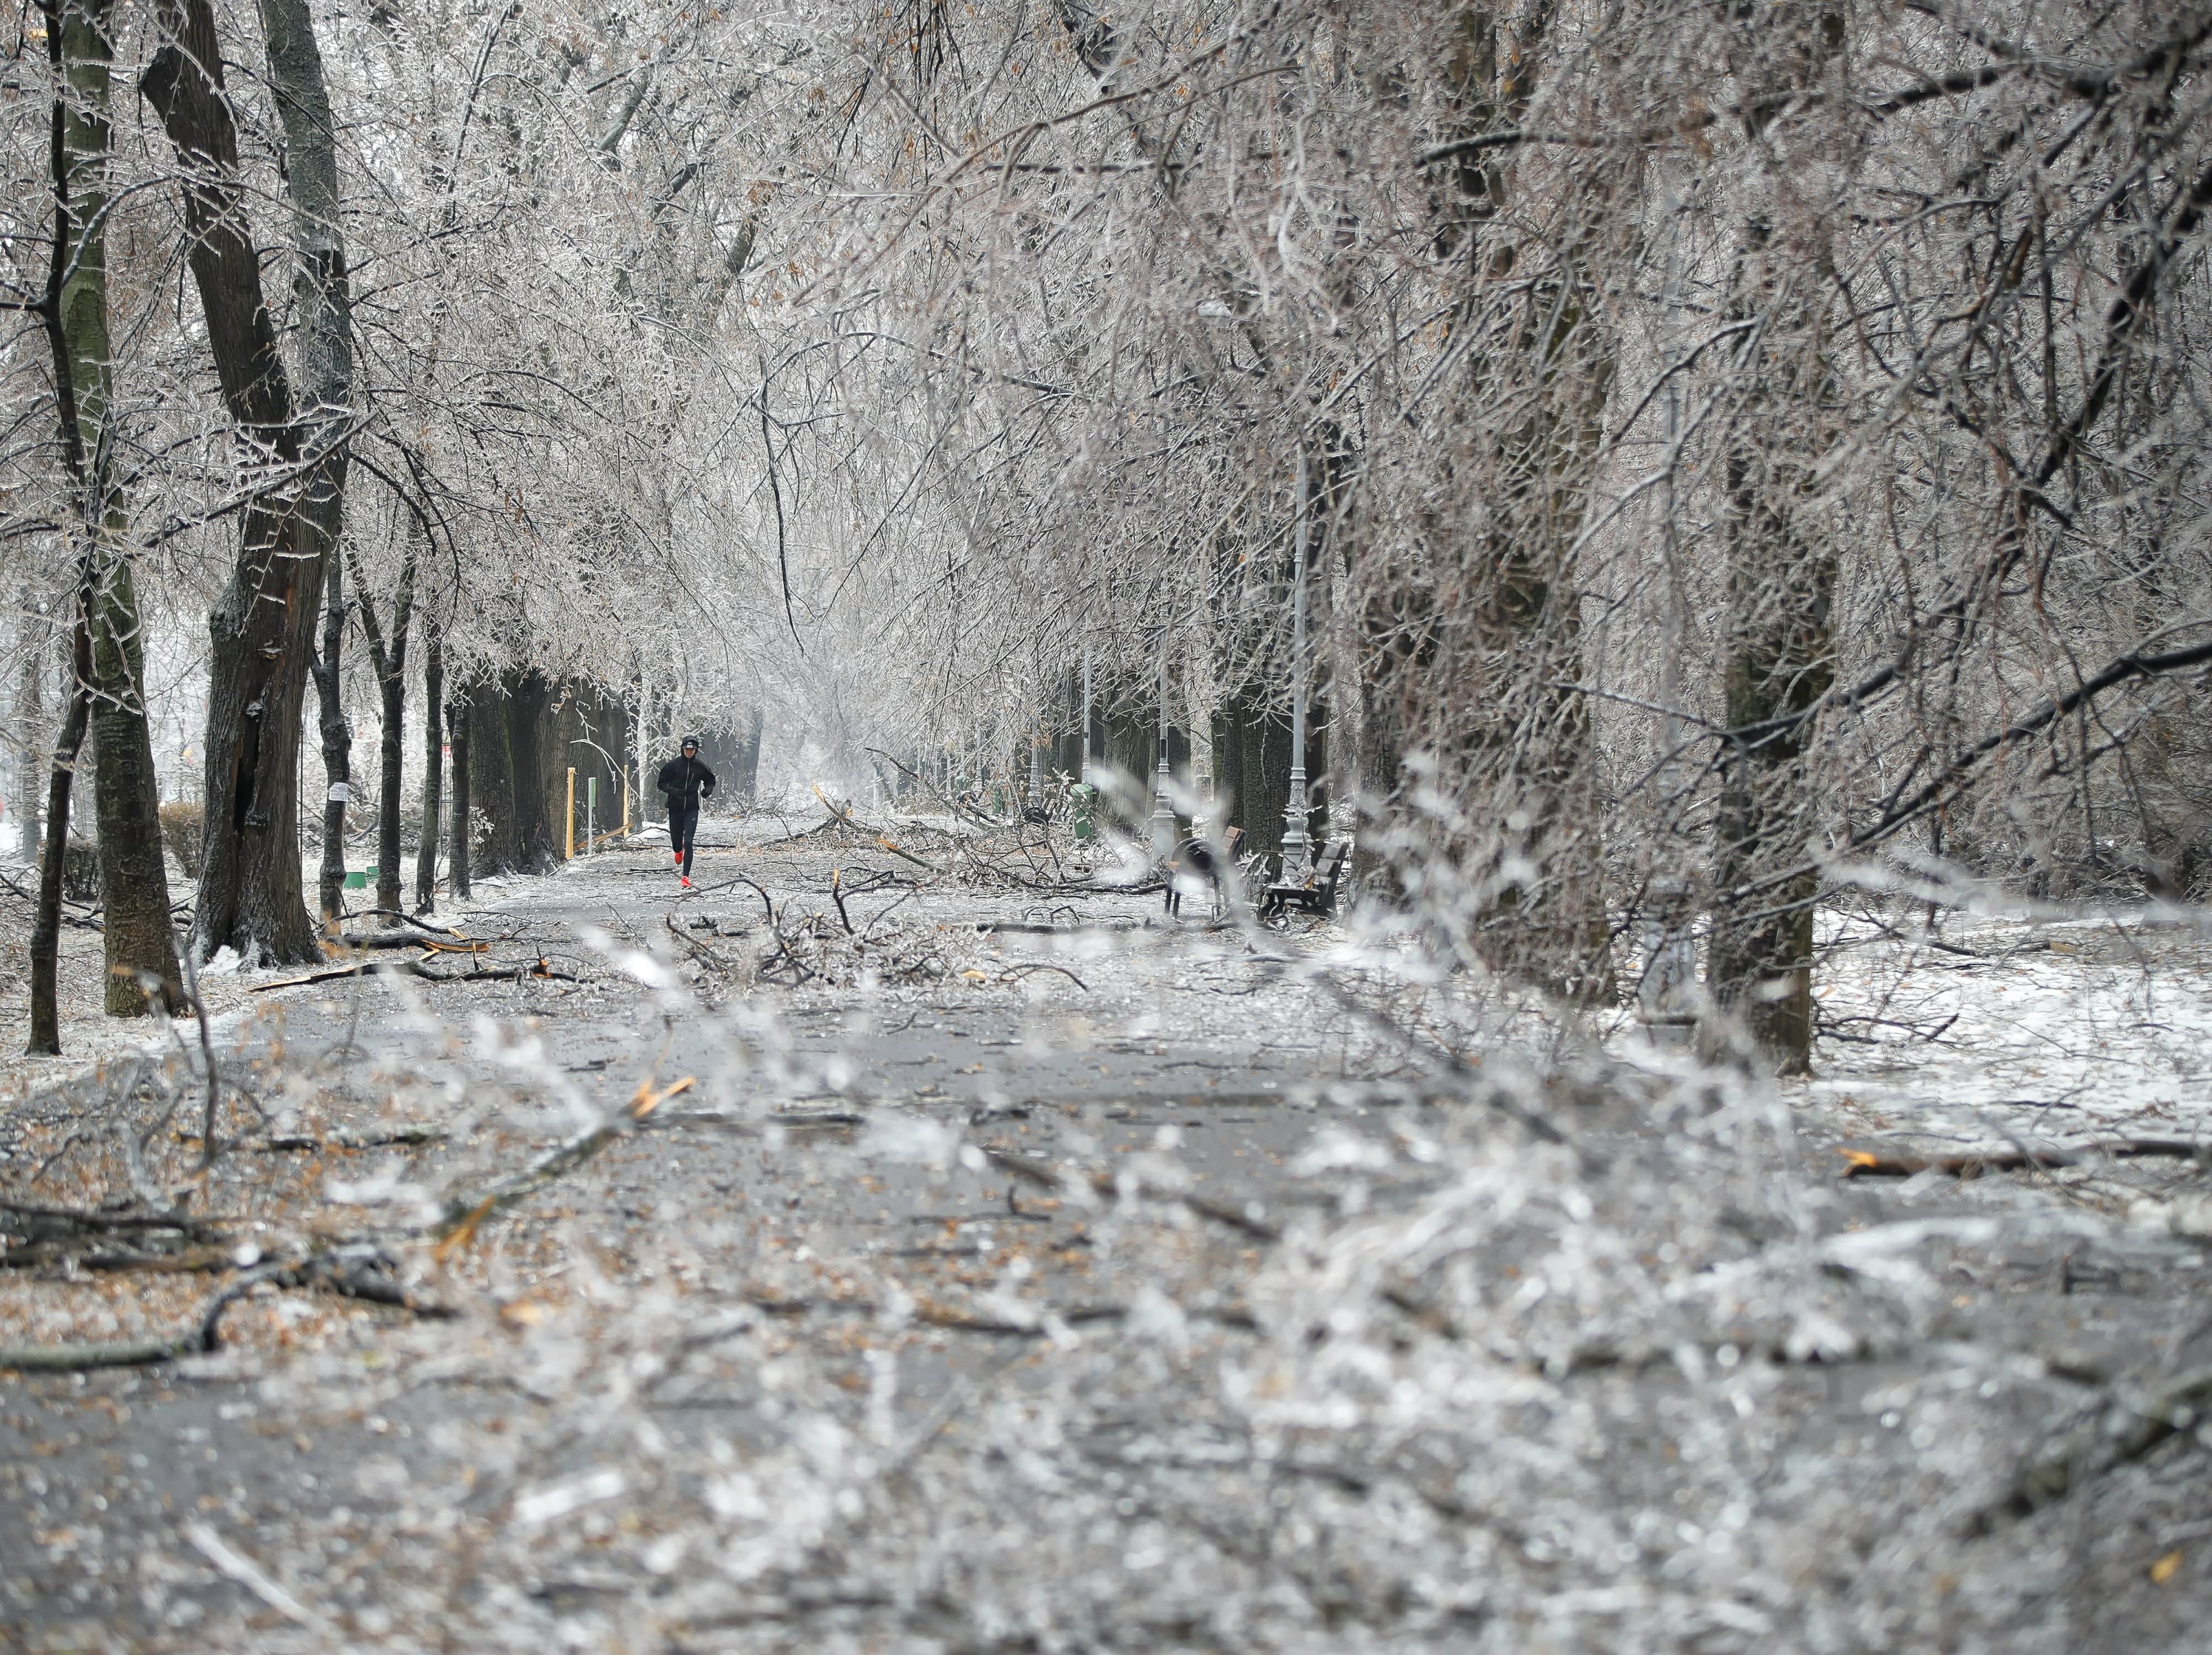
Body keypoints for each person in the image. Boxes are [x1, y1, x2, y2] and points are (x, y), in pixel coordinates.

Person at [656, 736, 717, 887]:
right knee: (677, 843)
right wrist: (676, 792)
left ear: (696, 750)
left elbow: (710, 780)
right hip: (675, 808)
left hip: (691, 809)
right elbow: (661, 783)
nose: (689, 752)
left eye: (692, 749)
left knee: (689, 842)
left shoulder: (700, 766)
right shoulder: (673, 765)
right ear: (682, 749)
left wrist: (706, 791)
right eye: (687, 749)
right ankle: (678, 850)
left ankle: (685, 877)